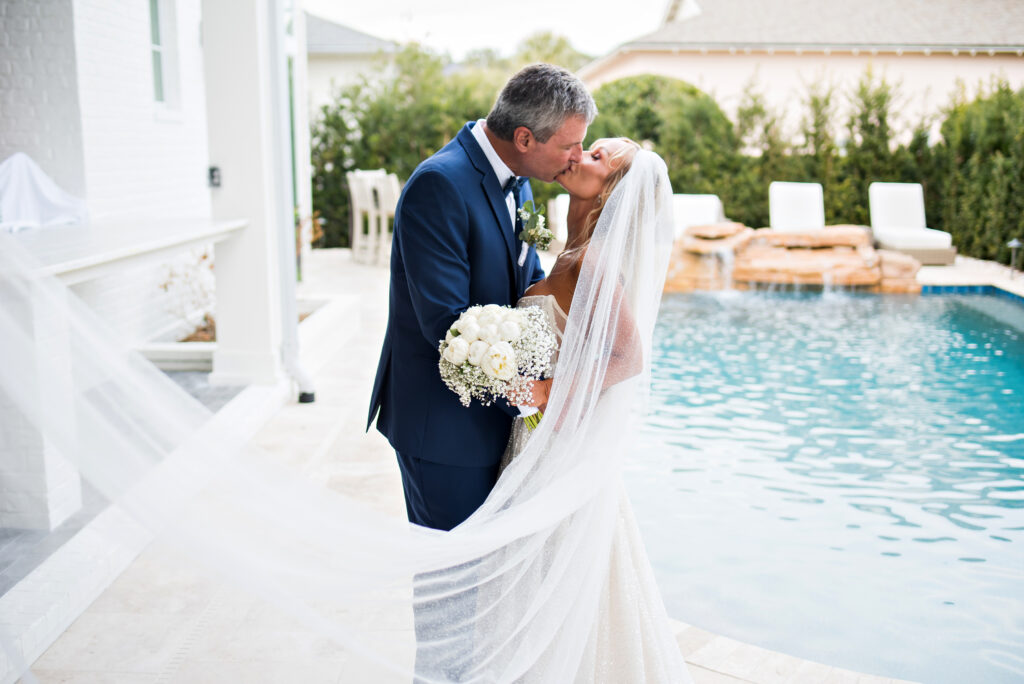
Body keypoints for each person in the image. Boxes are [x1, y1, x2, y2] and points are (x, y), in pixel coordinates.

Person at [367, 63, 597, 533]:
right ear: (525, 138)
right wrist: (529, 395)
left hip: (491, 419)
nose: (576, 157)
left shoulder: (521, 175)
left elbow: (525, 281)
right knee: (453, 582)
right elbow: (447, 325)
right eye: (568, 145)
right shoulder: (440, 185)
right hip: (443, 428)